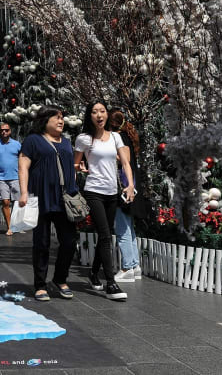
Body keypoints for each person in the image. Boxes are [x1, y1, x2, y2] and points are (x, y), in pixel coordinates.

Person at [73, 100, 135, 301]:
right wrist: (79, 169)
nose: (99, 115)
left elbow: (125, 162)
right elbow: (74, 164)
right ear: (89, 116)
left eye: (102, 111)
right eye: (94, 112)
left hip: (112, 192)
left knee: (105, 236)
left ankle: (93, 273)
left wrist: (130, 185)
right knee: (106, 236)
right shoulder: (84, 139)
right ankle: (111, 283)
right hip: (93, 191)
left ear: (107, 115)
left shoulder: (115, 137)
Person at [18, 105, 78, 302]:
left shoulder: (67, 142)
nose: (61, 121)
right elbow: (23, 166)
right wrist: (24, 192)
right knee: (41, 243)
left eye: (62, 117)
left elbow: (69, 167)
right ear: (45, 120)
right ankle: (40, 285)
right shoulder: (33, 141)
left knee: (69, 242)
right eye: (57, 117)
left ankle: (60, 279)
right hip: (41, 197)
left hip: (64, 199)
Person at [108, 109, 145, 282]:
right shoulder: (128, 136)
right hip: (131, 186)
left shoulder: (118, 137)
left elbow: (125, 159)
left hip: (122, 187)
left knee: (122, 229)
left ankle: (127, 267)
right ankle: (135, 265)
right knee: (129, 228)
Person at [0, 123, 22, 236]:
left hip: (15, 177)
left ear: (10, 131)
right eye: (2, 130)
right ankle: (9, 227)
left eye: (6, 130)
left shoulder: (17, 144)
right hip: (1, 178)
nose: (4, 132)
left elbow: (23, 159)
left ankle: (16, 224)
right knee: (5, 202)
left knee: (17, 203)